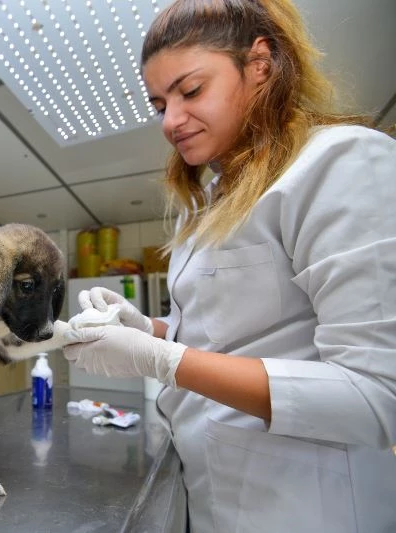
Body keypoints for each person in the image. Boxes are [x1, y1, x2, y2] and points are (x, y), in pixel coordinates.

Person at [63, 1, 396, 532]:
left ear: (260, 63)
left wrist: (163, 359)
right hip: (213, 489)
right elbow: (229, 333)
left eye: (190, 90)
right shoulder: (211, 204)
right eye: (159, 103)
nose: (171, 121)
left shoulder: (340, 162)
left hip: (308, 507)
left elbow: (377, 396)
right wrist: (148, 328)